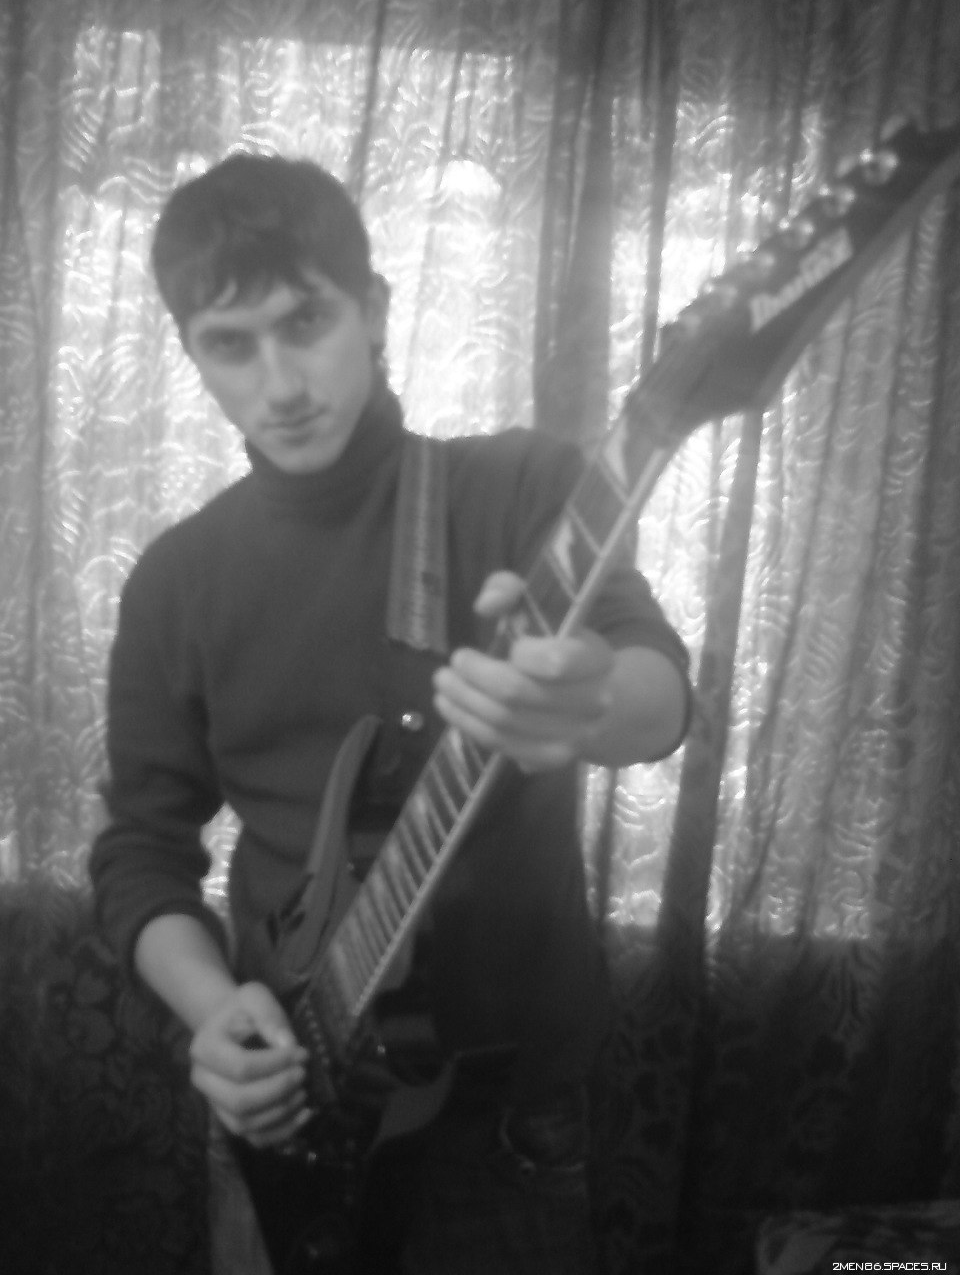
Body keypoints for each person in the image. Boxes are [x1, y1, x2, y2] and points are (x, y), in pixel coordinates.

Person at [89, 152, 691, 1275]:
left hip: (502, 1122)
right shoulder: (177, 580)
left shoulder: (516, 486)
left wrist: (590, 698)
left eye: (305, 321)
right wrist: (215, 1013)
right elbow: (140, 852)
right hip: (287, 1096)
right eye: (231, 344)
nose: (280, 383)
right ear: (192, 355)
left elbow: (656, 690)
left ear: (372, 311)